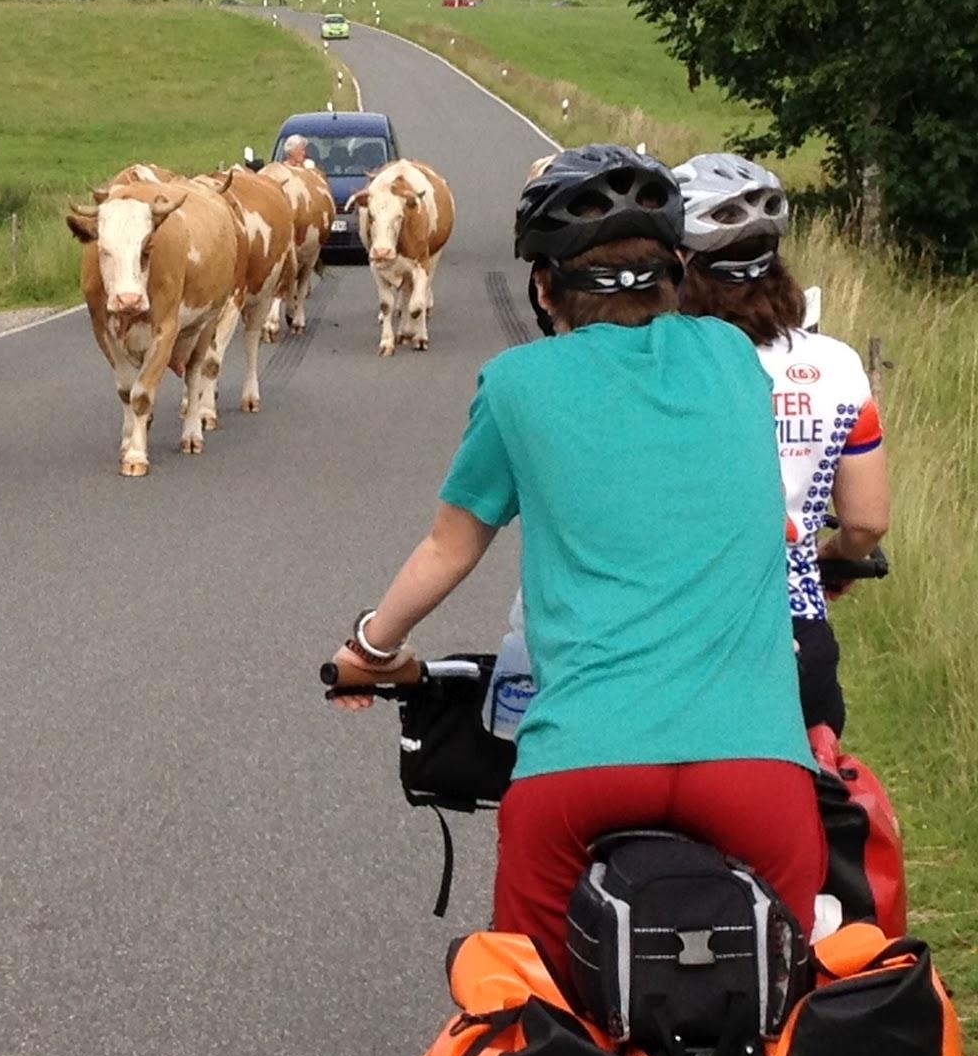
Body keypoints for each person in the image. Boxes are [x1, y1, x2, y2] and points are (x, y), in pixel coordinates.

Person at [328, 144, 824, 992]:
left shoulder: (519, 383)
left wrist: (371, 649)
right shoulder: (735, 363)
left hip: (583, 769)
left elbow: (449, 547)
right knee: (782, 1005)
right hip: (758, 771)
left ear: (543, 289)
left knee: (533, 1001)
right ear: (676, 269)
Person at [673, 153, 889, 736]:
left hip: (674, 633)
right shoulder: (836, 364)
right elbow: (866, 523)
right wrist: (832, 558)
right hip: (793, 628)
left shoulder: (658, 361)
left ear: (681, 263)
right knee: (813, 807)